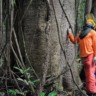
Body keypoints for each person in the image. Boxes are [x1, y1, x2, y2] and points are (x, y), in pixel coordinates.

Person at [67, 19, 96, 96]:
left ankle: (89, 89)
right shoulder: (93, 33)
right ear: (92, 25)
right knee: (91, 74)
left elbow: (74, 41)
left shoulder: (81, 34)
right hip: (91, 56)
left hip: (84, 57)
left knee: (88, 74)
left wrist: (69, 33)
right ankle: (91, 92)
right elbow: (95, 45)